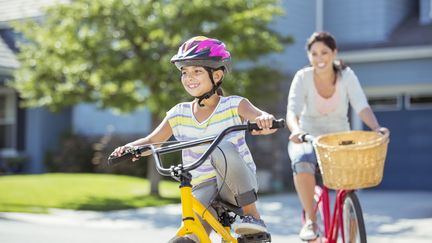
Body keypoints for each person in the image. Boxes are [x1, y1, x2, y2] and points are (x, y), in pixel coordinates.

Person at [111, 36, 277, 242]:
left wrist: (264, 121)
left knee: (221, 145)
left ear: (216, 75)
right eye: (184, 72)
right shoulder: (178, 113)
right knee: (190, 235)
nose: (189, 77)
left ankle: (253, 217)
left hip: (235, 185)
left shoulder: (235, 105)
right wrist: (129, 148)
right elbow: (153, 141)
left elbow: (261, 119)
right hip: (201, 187)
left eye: (197, 71)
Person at [286, 31, 390, 241]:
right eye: (314, 54)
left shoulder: (346, 75)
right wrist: (296, 130)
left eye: (324, 52)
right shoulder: (303, 77)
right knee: (302, 160)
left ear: (334, 53)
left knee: (347, 181)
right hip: (309, 137)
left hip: (339, 138)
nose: (319, 58)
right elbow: (292, 111)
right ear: (309, 56)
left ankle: (349, 217)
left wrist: (377, 127)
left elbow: (361, 106)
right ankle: (311, 222)